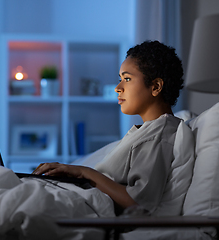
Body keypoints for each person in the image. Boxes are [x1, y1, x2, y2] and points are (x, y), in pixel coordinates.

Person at [33, 40, 193, 215]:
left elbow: (138, 202)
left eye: (127, 79)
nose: (118, 88)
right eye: (120, 79)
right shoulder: (148, 130)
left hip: (89, 205)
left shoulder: (160, 133)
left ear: (155, 87)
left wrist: (83, 172)